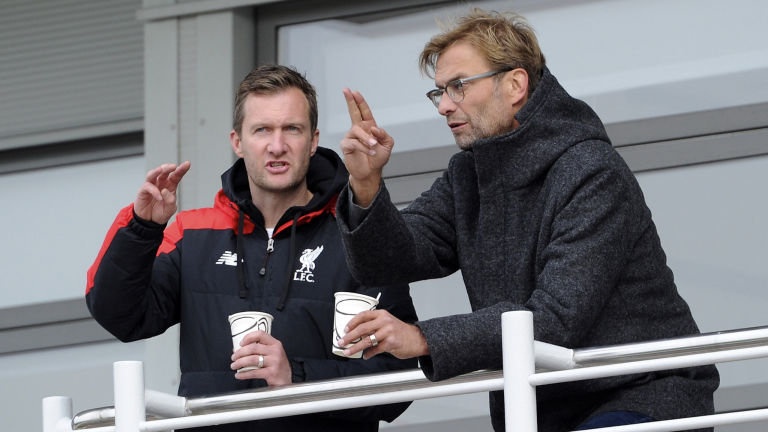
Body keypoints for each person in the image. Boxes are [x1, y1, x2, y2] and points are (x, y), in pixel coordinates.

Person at [334, 8, 718, 432]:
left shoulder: (592, 171)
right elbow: (389, 260)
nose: (443, 105)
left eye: (458, 86)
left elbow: (556, 318)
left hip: (644, 395)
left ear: (515, 85)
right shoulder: (468, 175)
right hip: (542, 408)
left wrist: (422, 338)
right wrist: (365, 185)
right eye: (439, 91)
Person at [85, 64, 418, 432]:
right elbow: (121, 317)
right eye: (262, 130)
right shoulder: (192, 233)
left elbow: (397, 381)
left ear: (313, 141)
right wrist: (142, 228)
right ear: (237, 142)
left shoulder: (356, 235)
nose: (277, 146)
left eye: (292, 129)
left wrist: (298, 377)